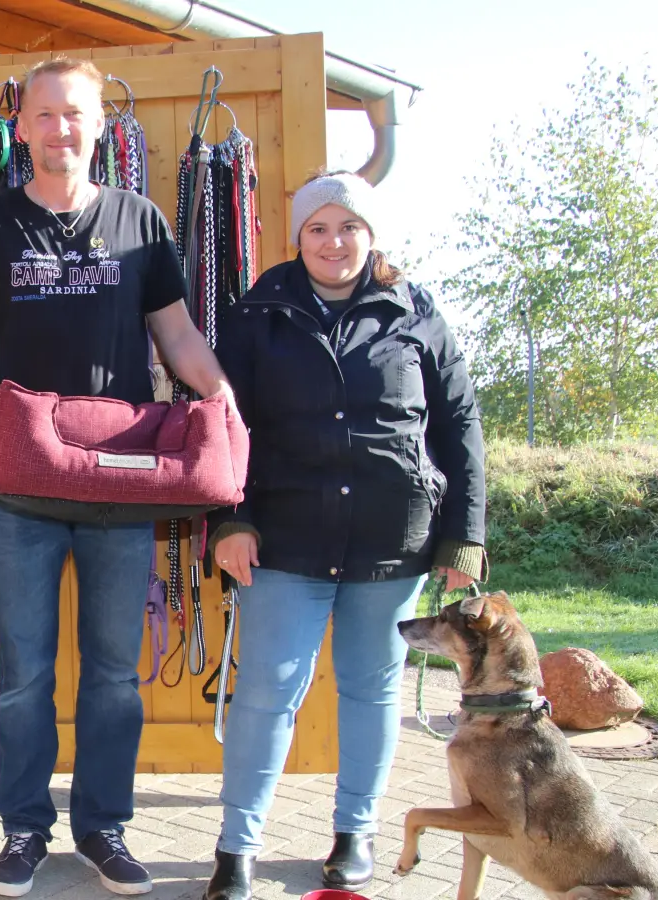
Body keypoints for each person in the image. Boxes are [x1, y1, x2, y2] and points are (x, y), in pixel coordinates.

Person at [0, 57, 233, 898]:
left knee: (111, 671)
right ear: (20, 125)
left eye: (76, 114)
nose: (61, 128)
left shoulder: (141, 221)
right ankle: (24, 829)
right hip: (18, 485)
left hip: (120, 480)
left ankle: (104, 827)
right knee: (23, 672)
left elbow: (175, 337)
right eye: (45, 114)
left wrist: (220, 396)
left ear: (101, 125)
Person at [203, 171, 487, 900]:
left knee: (370, 689)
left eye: (350, 227)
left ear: (372, 234)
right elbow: (221, 430)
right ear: (298, 236)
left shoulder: (417, 313)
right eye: (319, 228)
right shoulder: (255, 314)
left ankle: (354, 834)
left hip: (391, 541)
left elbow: (459, 427)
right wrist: (228, 520)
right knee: (267, 691)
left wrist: (464, 537)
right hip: (282, 539)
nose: (335, 242)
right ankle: (237, 849)